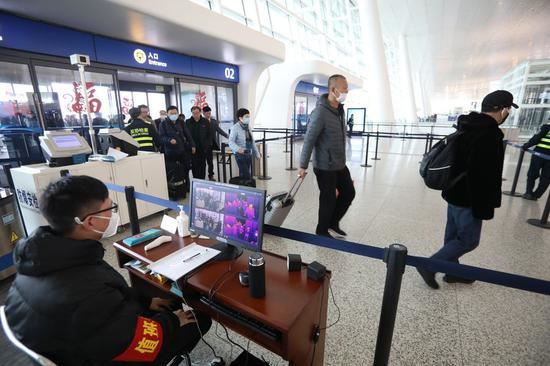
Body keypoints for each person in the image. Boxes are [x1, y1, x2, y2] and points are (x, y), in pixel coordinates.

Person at [4, 175, 211, 365]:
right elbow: (133, 341)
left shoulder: (43, 256)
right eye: (110, 209)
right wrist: (174, 321)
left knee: (164, 301)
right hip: (105, 354)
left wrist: (146, 301)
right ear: (90, 221)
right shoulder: (86, 293)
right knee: (200, 319)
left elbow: (107, 290)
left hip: (75, 341)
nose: (114, 214)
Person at [417, 90, 518, 289]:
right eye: (508, 109)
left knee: (453, 237)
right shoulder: (489, 134)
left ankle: (453, 272)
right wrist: (484, 206)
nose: (508, 114)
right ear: (501, 110)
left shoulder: (468, 126)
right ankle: (429, 266)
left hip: (454, 191)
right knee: (468, 240)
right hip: (469, 197)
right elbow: (482, 175)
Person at [298, 74, 356, 238]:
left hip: (339, 163)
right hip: (324, 166)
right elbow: (309, 140)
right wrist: (302, 166)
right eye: (344, 89)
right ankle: (322, 230)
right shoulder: (320, 113)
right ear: (333, 89)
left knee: (349, 193)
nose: (346, 92)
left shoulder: (339, 110)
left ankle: (333, 223)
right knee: (328, 199)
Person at [159, 105, 196, 197]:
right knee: (173, 171)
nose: (174, 115)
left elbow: (188, 135)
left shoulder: (181, 122)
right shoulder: (163, 124)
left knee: (186, 169)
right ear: (167, 114)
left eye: (175, 113)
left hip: (183, 150)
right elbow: (161, 137)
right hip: (171, 152)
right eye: (171, 113)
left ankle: (186, 187)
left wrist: (192, 145)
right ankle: (174, 190)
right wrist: (169, 140)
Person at [522, 118, 550, 201]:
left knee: (532, 173)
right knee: (546, 178)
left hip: (539, 154)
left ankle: (528, 193)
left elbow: (537, 138)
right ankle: (536, 195)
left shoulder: (547, 126)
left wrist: (526, 146)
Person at [228, 108, 260, 179]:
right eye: (246, 117)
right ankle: (248, 188)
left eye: (249, 116)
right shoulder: (235, 128)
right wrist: (239, 149)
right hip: (240, 155)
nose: (248, 118)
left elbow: (252, 141)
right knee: (246, 175)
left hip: (248, 153)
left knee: (245, 175)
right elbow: (230, 142)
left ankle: (243, 187)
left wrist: (257, 153)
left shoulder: (248, 127)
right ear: (240, 118)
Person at [203, 105, 229, 181]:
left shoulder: (214, 122)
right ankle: (201, 176)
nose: (208, 114)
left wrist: (227, 135)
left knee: (210, 162)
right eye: (207, 113)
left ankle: (211, 175)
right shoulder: (201, 121)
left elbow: (219, 130)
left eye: (209, 113)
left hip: (210, 145)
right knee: (202, 162)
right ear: (203, 113)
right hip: (202, 146)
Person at [186, 106, 212, 180]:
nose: (195, 115)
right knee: (194, 166)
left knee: (203, 165)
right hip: (193, 148)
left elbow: (209, 135)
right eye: (193, 113)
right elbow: (186, 135)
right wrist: (190, 146)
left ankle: (202, 180)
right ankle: (196, 180)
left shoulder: (205, 121)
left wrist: (207, 145)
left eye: (197, 113)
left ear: (200, 112)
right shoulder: (188, 122)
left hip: (203, 148)